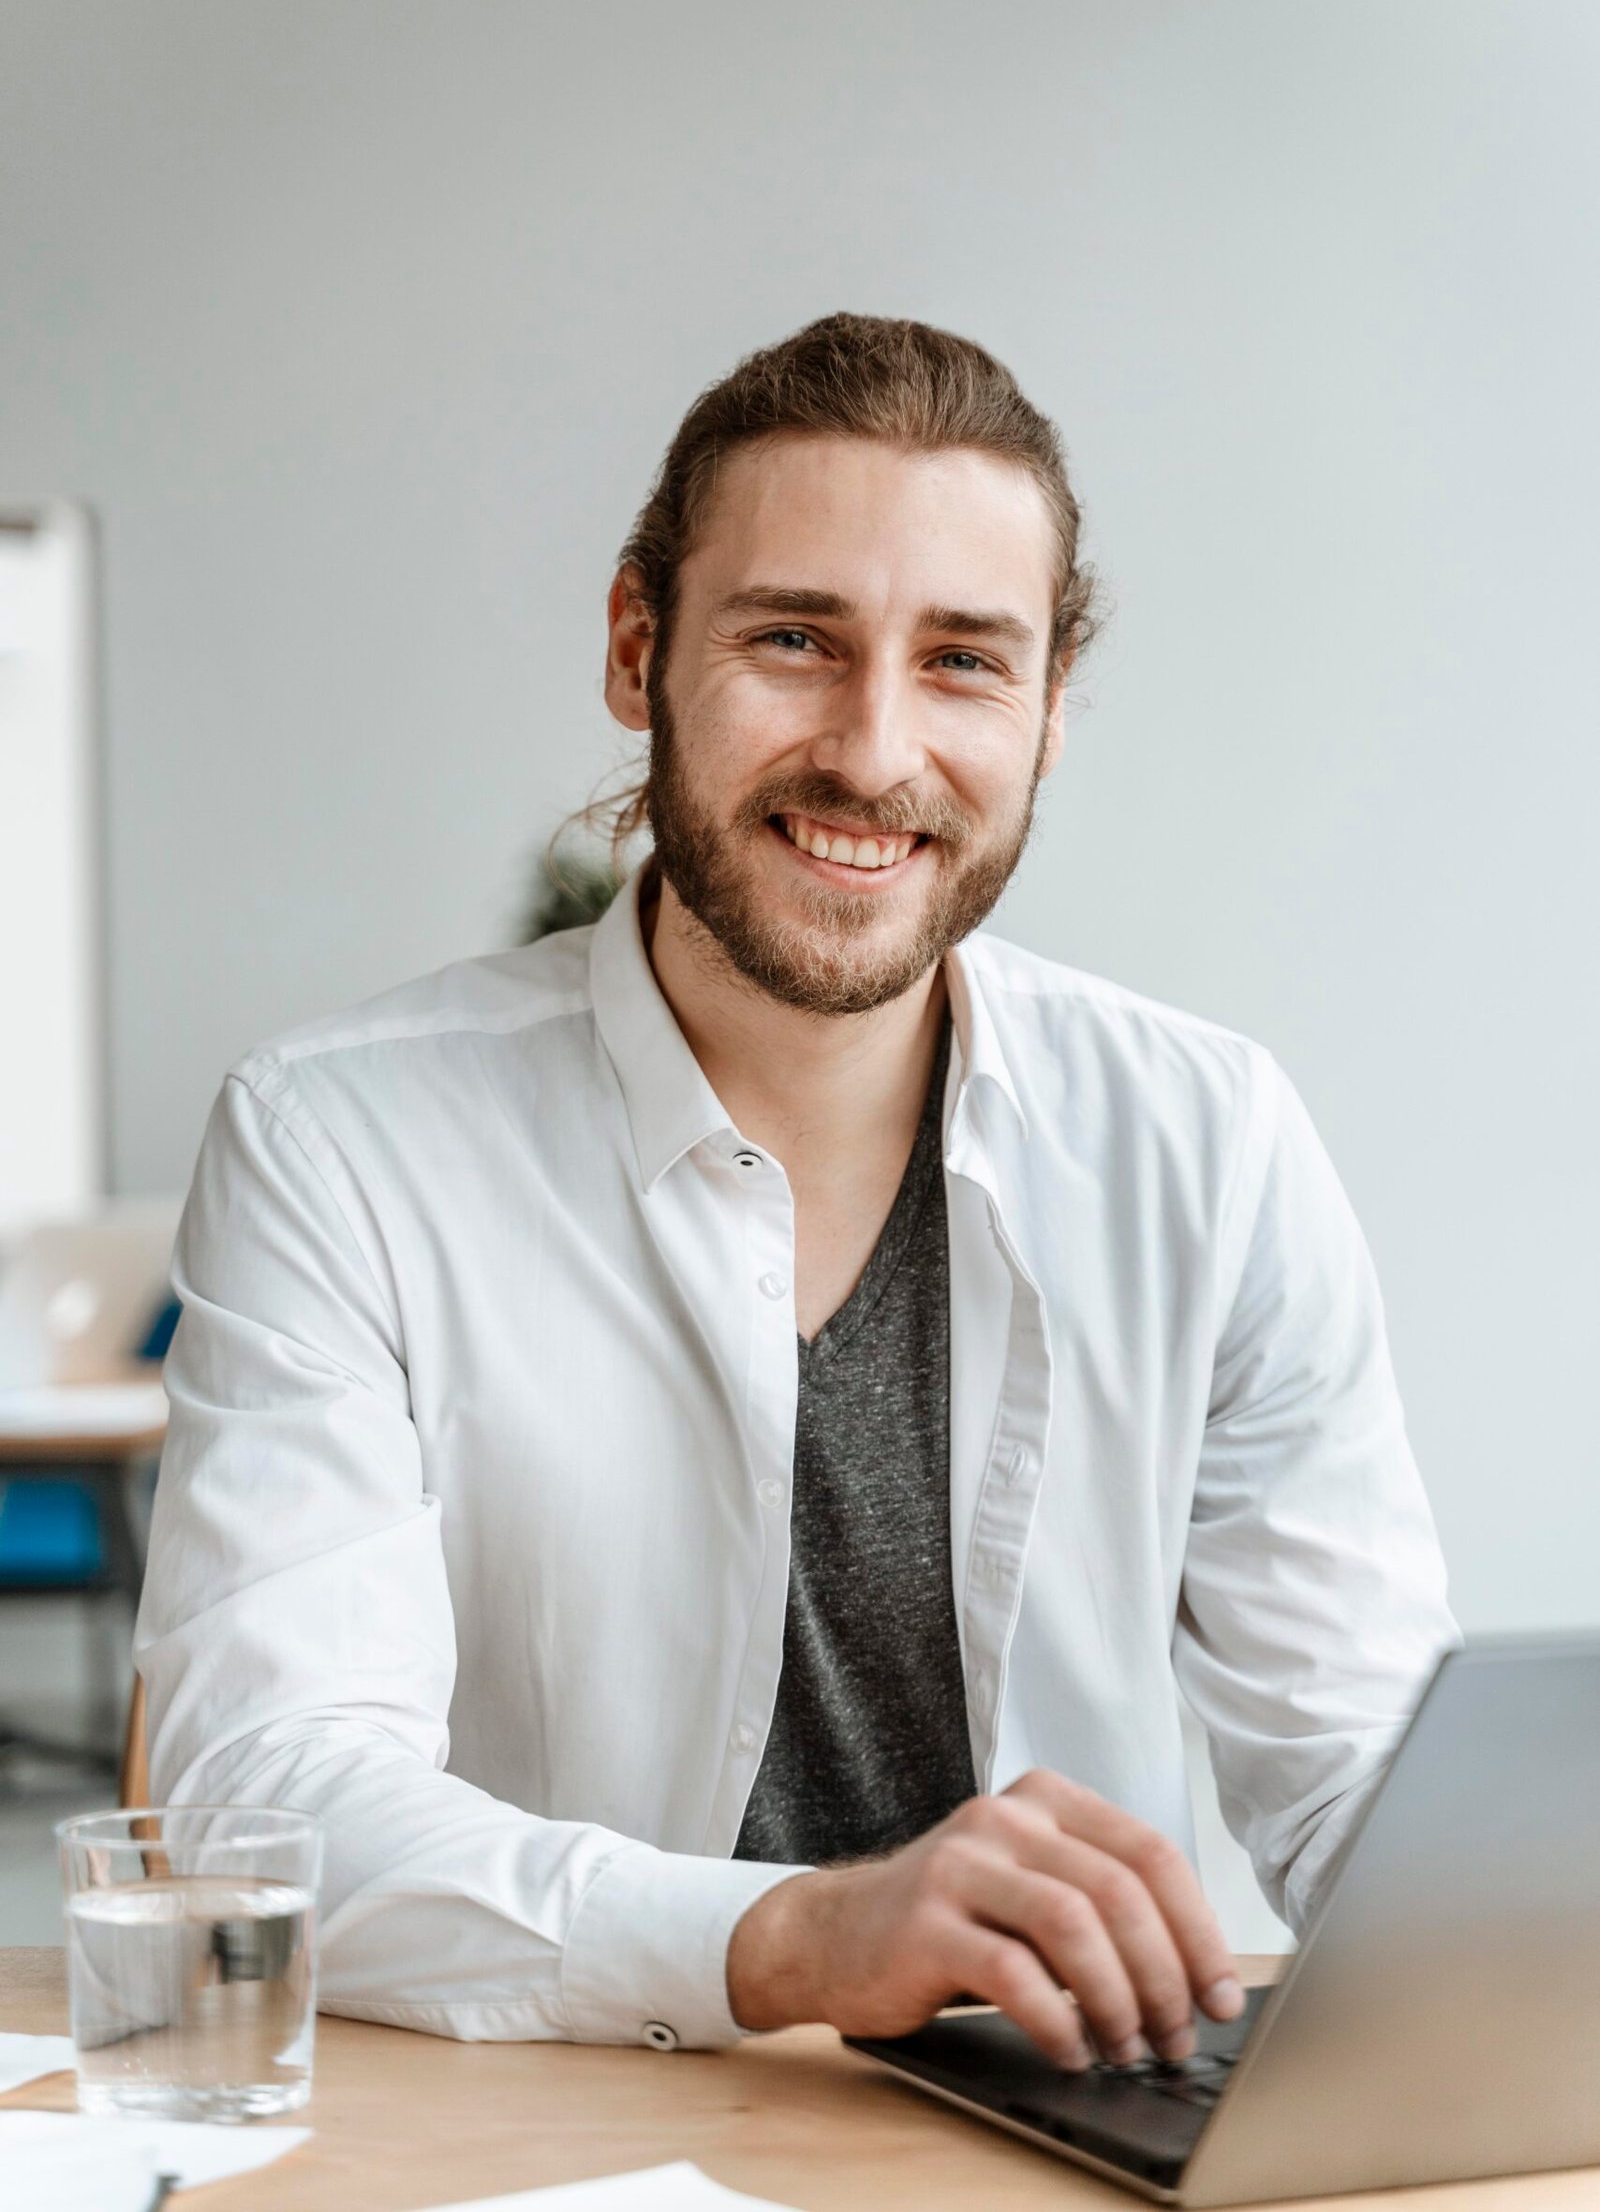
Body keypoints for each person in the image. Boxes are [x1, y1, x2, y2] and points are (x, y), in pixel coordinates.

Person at [135, 313, 1457, 2072]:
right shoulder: (340, 1143)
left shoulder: (1206, 1141)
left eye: (965, 662)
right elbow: (266, 1804)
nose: (874, 750)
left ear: (1052, 711)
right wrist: (791, 1934)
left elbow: (1371, 1771)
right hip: (561, 2133)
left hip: (1071, 2146)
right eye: (792, 638)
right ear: (638, 646)